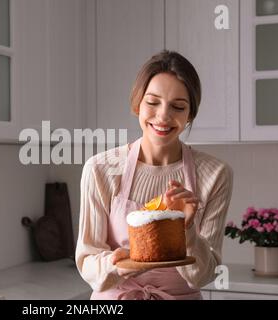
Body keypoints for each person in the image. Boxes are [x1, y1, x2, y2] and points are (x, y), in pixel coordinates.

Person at [75, 50, 234, 300]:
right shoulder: (100, 169)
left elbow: (205, 275)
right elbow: (87, 262)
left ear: (190, 114)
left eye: (178, 107)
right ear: (137, 104)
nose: (163, 116)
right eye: (152, 102)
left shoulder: (215, 174)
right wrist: (117, 264)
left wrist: (186, 230)